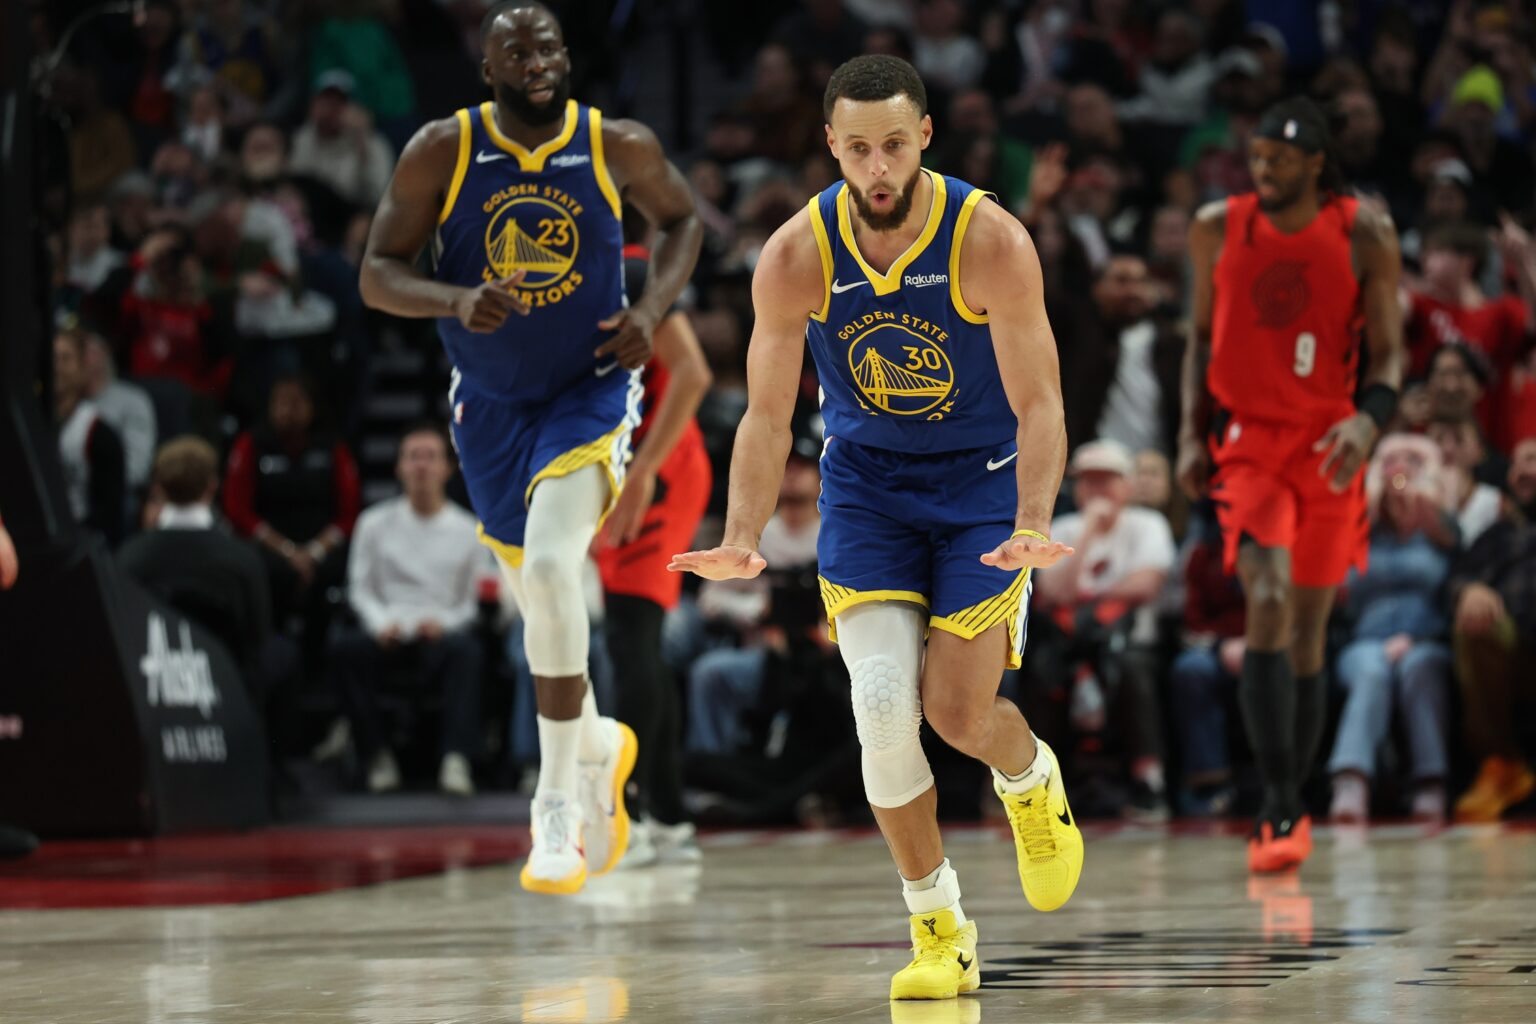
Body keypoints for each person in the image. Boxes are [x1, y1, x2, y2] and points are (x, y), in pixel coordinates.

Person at [671, 56, 1083, 1002]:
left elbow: (1042, 402)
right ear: (832, 147)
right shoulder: (796, 253)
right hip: (867, 494)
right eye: (858, 148)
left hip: (981, 490)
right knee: (884, 705)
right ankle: (939, 926)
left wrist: (1031, 519)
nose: (879, 167)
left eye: (895, 144)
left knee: (958, 714)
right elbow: (768, 416)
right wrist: (742, 531)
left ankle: (1028, 777)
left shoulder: (992, 240)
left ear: (926, 135)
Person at [359, 1, 702, 894]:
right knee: (538, 608)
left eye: (548, 43)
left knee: (553, 573)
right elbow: (376, 274)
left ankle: (555, 809)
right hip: (490, 408)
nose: (538, 60)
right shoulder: (444, 148)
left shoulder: (613, 142)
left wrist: (652, 310)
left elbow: (683, 220)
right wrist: (453, 299)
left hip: (587, 390)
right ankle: (594, 745)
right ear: (489, 69)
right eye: (516, 50)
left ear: (566, 53)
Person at [1177, 97, 1406, 873]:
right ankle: (1274, 803)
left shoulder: (1363, 232)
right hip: (1247, 442)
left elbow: (1390, 359)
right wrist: (1186, 434)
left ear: (1315, 163)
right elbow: (1198, 339)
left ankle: (1293, 800)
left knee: (1308, 630)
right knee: (1266, 599)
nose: (1264, 170)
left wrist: (1370, 421)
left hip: (1331, 444)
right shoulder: (1218, 226)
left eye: (1279, 159)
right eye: (1257, 159)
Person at [595, 213, 713, 866]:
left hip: (659, 469)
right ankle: (669, 815)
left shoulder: (634, 272)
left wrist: (641, 475)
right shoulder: (552, 282)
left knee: (629, 638)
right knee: (635, 646)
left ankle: (637, 812)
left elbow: (692, 375)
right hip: (612, 473)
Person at [330, 425, 488, 796]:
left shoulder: (470, 530)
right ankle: (376, 756)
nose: (422, 466)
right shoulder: (373, 523)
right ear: (399, 467)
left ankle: (456, 758)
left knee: (469, 653)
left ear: (447, 468)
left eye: (431, 457)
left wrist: (444, 624)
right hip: (388, 630)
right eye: (413, 456)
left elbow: (471, 602)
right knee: (345, 649)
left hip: (442, 633)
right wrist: (381, 623)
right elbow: (361, 589)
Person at [1032, 440, 1176, 820]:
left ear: (1127, 486)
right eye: (1088, 481)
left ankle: (1150, 781)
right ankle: (1040, 786)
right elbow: (1052, 592)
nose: (1097, 490)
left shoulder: (1148, 524)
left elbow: (1145, 585)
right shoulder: (1062, 527)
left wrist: (1086, 595)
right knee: (1037, 669)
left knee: (1129, 668)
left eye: (1106, 481)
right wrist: (1089, 533)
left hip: (1132, 642)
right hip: (1068, 643)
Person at [1326, 435, 1457, 825]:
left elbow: (1460, 580)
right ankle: (1351, 779)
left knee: (1420, 666)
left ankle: (1430, 781)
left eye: (1411, 462)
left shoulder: (1441, 532)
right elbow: (1333, 590)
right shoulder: (1357, 529)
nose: (1399, 471)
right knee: (1371, 669)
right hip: (1365, 641)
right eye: (1389, 462)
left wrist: (1426, 501)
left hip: (1427, 640)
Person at [118, 437, 272, 689]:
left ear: (159, 488)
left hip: (153, 695)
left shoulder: (130, 558)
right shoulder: (243, 560)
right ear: (212, 487)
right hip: (228, 697)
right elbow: (257, 646)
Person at [1449, 435, 1536, 822]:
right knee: (1477, 622)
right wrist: (1471, 590)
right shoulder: (1498, 534)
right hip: (1517, 653)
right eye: (1515, 463)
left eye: (1532, 459)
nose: (1520, 471)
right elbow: (1454, 579)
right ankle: (1503, 765)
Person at [53, 326, 127, 548]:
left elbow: (110, 511)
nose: (56, 366)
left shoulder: (99, 432)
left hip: (80, 539)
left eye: (65, 359)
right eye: (51, 358)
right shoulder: (26, 422)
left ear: (82, 369)